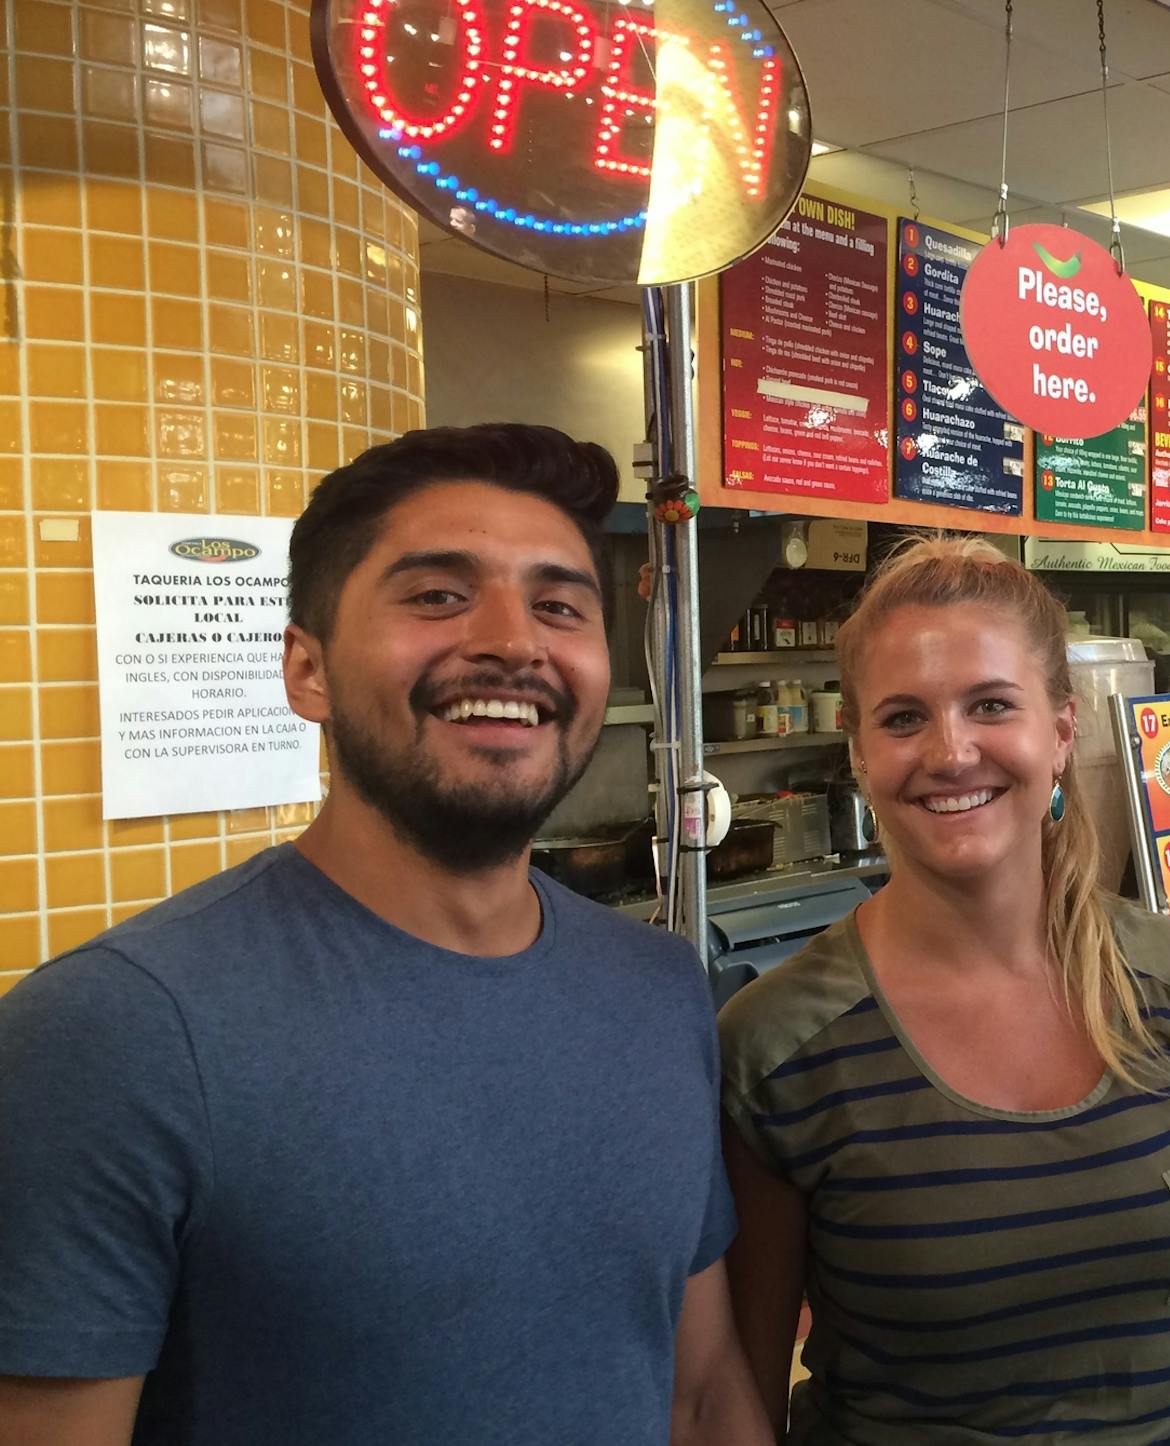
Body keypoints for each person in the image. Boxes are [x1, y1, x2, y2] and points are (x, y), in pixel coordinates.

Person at [0, 424, 770, 1445]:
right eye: (437, 595)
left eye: (558, 604)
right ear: (305, 671)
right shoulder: (115, 1032)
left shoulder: (661, 988)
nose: (513, 639)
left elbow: (703, 1390)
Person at [718, 536, 1170, 1445]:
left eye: (991, 705)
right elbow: (741, 1403)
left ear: (1062, 730)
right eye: (903, 718)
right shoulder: (778, 1049)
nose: (951, 752)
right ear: (858, 751)